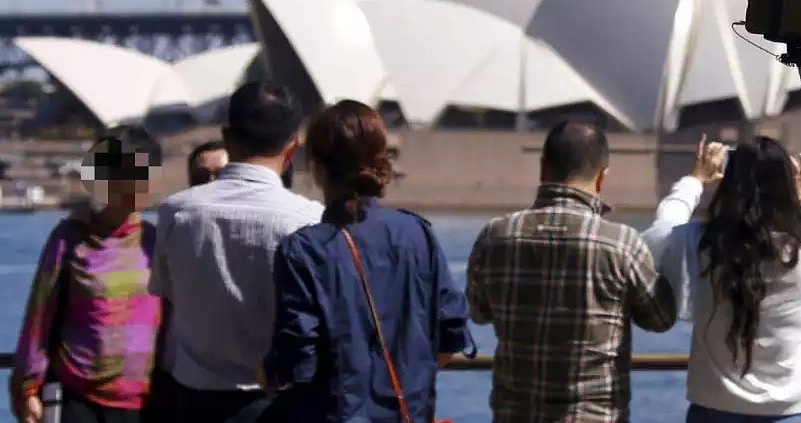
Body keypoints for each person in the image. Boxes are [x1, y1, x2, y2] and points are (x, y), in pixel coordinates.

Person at [259, 99, 472, 421]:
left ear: (316, 168)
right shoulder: (417, 233)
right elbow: (451, 333)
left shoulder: (303, 250)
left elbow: (299, 361)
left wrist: (268, 372)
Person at [466, 121, 677, 423]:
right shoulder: (621, 244)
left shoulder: (495, 236)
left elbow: (479, 312)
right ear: (601, 177)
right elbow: (661, 318)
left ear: (542, 170)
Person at [150, 82, 323, 423]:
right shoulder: (311, 220)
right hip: (284, 403)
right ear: (293, 148)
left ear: (227, 138)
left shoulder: (176, 212)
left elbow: (166, 294)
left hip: (195, 404)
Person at [643, 136, 801, 423]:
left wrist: (694, 180)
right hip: (786, 412)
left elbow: (660, 233)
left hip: (713, 407)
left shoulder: (701, 243)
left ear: (729, 187)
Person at [9, 125, 164, 423]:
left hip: (144, 406)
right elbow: (39, 317)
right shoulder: (69, 238)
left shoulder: (159, 242)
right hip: (79, 401)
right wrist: (27, 389)